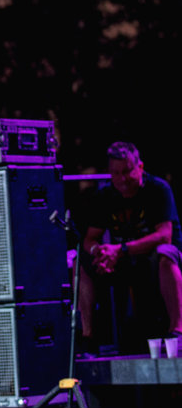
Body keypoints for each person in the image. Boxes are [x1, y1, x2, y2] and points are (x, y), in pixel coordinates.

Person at [79, 141, 182, 355]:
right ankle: (87, 337)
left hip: (155, 257)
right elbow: (89, 239)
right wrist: (100, 253)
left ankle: (177, 331)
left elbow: (164, 235)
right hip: (123, 258)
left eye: (127, 172)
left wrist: (120, 250)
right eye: (115, 173)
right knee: (81, 263)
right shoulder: (105, 196)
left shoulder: (158, 189)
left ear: (140, 167)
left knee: (165, 254)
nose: (122, 179)